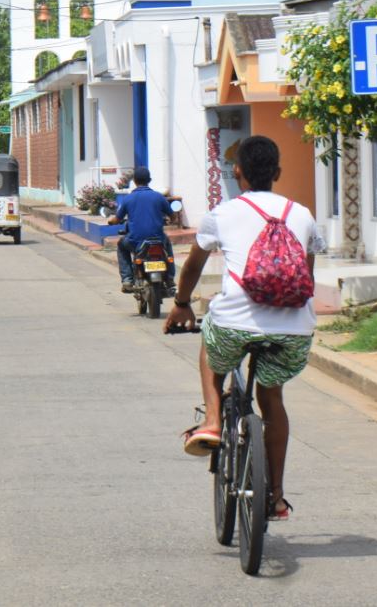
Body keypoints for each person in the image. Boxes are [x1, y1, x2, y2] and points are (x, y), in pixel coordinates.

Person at [163, 135, 324, 522]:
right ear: (278, 172)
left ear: (237, 173)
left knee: (211, 346)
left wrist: (182, 304)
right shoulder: (301, 214)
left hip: (235, 321)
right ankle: (277, 497)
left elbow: (193, 266)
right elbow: (307, 276)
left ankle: (213, 420)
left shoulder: (223, 214)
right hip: (293, 330)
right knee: (273, 400)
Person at [107, 167, 175, 293]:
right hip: (158, 239)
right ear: (149, 180)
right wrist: (171, 220)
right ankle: (170, 278)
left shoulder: (128, 198)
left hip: (135, 241)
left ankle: (127, 279)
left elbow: (117, 219)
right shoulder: (159, 197)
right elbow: (172, 215)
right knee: (167, 248)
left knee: (121, 245)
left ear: (135, 181)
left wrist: (110, 221)